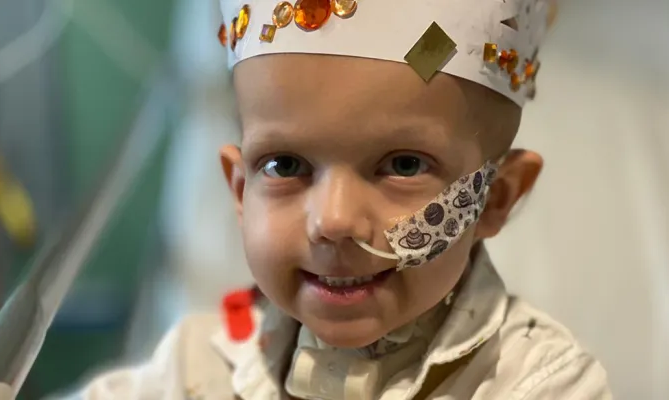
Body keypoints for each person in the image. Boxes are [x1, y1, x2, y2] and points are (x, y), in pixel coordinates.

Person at [70, 0, 612, 398]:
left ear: (496, 199)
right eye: (285, 166)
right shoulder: (191, 371)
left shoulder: (540, 383)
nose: (332, 220)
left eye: (403, 165)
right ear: (239, 190)